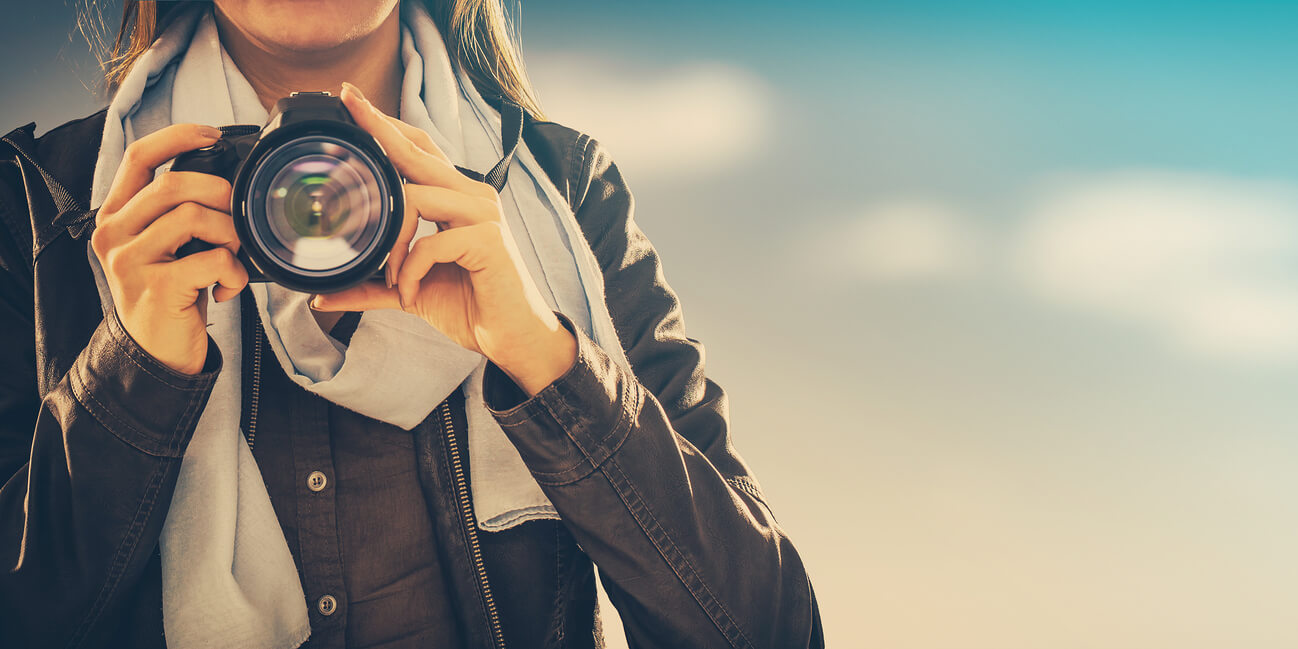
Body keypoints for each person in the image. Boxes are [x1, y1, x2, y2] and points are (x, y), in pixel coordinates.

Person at [0, 1, 823, 647]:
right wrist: (130, 371)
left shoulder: (561, 195)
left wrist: (546, 357)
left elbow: (766, 630)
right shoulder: (42, 205)